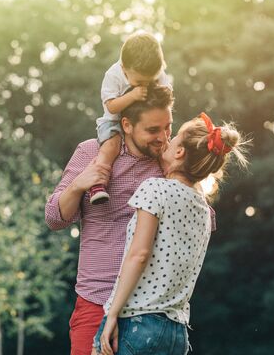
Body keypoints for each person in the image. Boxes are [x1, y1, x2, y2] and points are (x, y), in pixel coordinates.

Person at [93, 113, 249, 355]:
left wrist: (112, 312)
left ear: (179, 153)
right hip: (176, 334)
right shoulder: (203, 210)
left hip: (136, 323)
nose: (167, 139)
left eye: (174, 138)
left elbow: (139, 254)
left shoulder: (156, 188)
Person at [45, 85, 175, 355]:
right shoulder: (91, 152)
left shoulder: (169, 163)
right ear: (126, 125)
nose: (163, 138)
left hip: (151, 313)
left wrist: (175, 171)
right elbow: (54, 219)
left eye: (168, 128)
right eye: (153, 130)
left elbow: (202, 222)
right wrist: (79, 185)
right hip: (96, 302)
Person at [89, 31, 171, 204]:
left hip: (143, 121)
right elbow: (111, 107)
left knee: (165, 148)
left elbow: (166, 95)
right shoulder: (113, 75)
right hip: (113, 120)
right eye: (140, 81)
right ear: (125, 68)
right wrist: (133, 96)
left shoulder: (157, 73)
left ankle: (173, 179)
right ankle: (97, 184)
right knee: (110, 147)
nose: (146, 85)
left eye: (151, 81)